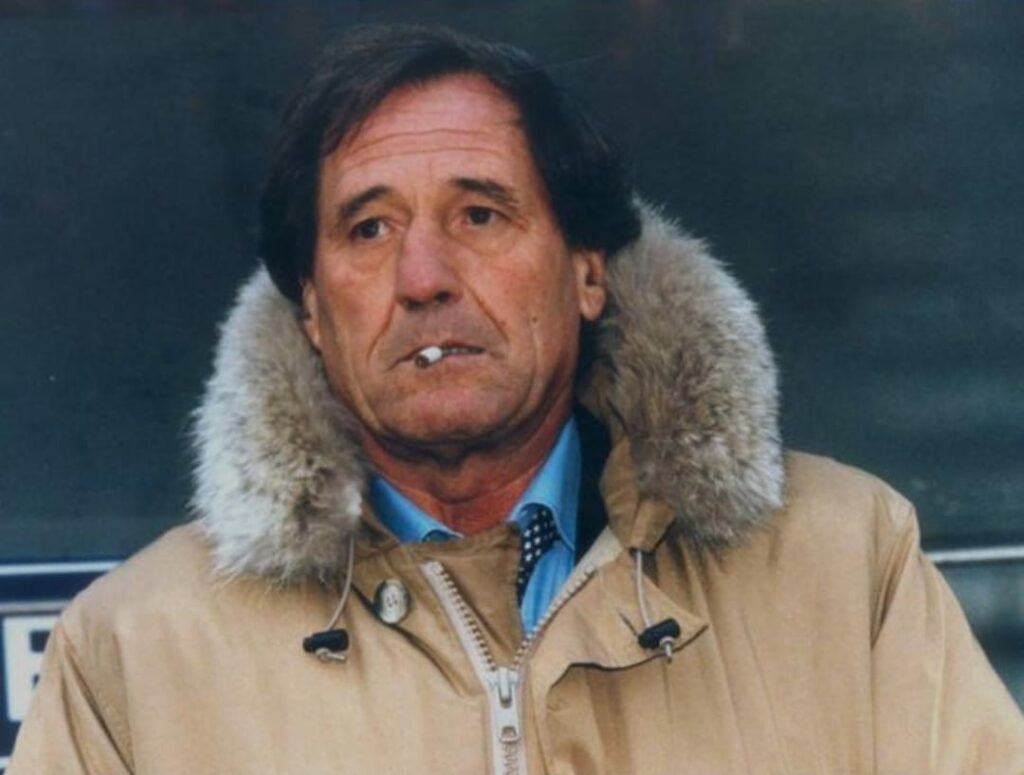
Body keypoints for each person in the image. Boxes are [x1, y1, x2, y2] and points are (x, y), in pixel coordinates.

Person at [10, 24, 1024, 775]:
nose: (423, 277)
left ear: (587, 271)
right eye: (369, 228)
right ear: (311, 309)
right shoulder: (132, 656)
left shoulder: (847, 567)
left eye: (480, 213)